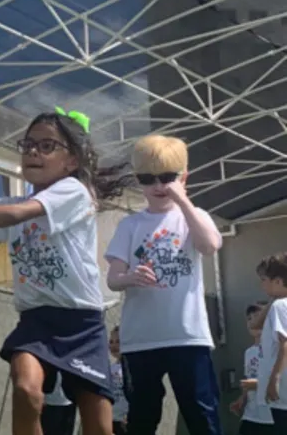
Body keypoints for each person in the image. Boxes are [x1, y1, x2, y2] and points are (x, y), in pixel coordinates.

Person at [0, 108, 132, 435]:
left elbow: (16, 214)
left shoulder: (74, 193)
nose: (33, 152)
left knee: (98, 427)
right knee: (26, 390)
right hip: (36, 320)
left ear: (72, 161)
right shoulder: (9, 203)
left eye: (47, 146)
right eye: (28, 145)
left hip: (80, 322)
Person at [104, 134, 223, 435]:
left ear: (184, 177)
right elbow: (113, 278)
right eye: (147, 178)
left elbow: (209, 246)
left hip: (188, 335)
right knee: (143, 418)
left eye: (167, 177)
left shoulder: (195, 217)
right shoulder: (130, 225)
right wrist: (130, 277)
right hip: (140, 339)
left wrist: (182, 199)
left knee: (201, 413)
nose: (158, 186)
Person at [230, 302, 275, 435]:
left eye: (257, 316)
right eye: (249, 318)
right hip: (251, 415)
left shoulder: (277, 350)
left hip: (272, 417)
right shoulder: (249, 352)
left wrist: (258, 385)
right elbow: (249, 379)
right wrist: (242, 399)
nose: (252, 321)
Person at [256, 254, 287, 429]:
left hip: (283, 389)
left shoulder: (280, 306)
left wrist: (274, 379)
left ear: (278, 281)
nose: (262, 285)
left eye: (264, 279)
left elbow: (285, 344)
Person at [107, 326, 127, 435]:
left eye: (118, 341)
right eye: (111, 342)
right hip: (110, 418)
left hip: (124, 420)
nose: (114, 345)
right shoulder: (111, 368)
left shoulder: (130, 369)